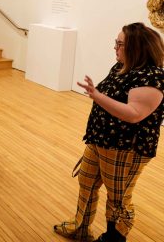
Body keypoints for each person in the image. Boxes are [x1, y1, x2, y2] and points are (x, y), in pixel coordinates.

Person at [54, 23, 164, 242]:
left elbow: (133, 114)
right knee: (86, 182)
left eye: (120, 44)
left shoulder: (152, 77)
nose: (115, 47)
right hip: (101, 140)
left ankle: (114, 237)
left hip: (126, 149)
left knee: (118, 198)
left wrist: (96, 95)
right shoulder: (122, 66)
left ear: (137, 48)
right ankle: (81, 227)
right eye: (116, 42)